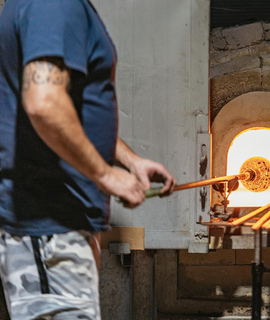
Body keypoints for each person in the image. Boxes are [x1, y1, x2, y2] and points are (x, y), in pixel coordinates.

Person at [0, 0, 176, 319]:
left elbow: (70, 109)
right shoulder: (53, 3)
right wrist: (106, 175)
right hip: (49, 226)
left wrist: (128, 160)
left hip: (61, 224)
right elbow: (45, 103)